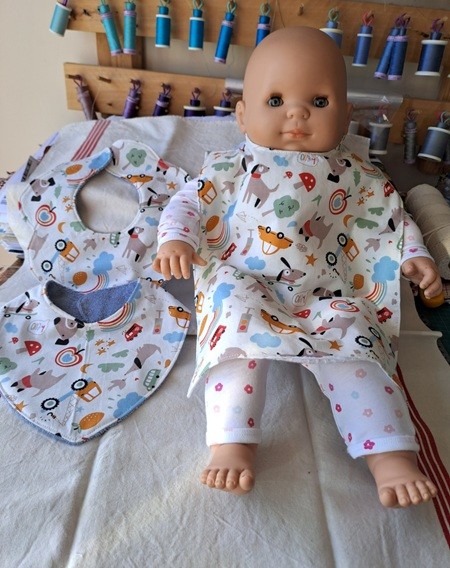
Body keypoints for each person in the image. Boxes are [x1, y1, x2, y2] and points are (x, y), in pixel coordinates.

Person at [153, 26, 442, 507]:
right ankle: (232, 441)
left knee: (359, 341)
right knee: (233, 324)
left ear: (345, 116)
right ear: (242, 116)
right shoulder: (230, 168)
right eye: (275, 100)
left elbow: (392, 219)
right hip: (247, 281)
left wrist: (414, 256)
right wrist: (176, 239)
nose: (297, 112)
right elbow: (189, 203)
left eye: (319, 102)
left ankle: (389, 452)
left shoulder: (359, 176)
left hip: (330, 293)